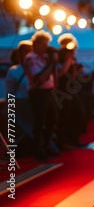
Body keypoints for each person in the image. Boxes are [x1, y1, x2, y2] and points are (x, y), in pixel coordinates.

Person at [24, 30, 60, 161]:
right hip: (38, 92)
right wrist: (51, 62)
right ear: (37, 44)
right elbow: (39, 78)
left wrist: (53, 61)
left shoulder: (43, 58)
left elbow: (55, 74)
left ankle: (46, 145)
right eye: (44, 44)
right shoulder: (30, 58)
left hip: (48, 91)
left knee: (53, 119)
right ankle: (38, 150)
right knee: (39, 121)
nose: (46, 47)